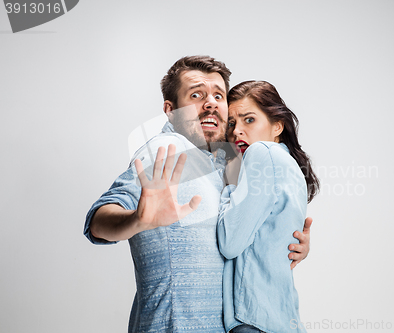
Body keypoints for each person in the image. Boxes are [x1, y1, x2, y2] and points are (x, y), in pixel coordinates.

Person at [83, 56, 312, 333]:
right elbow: (98, 220)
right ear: (170, 110)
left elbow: (265, 204)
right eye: (196, 95)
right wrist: (136, 220)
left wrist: (288, 241)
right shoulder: (165, 149)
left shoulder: (227, 155)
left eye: (218, 95)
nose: (211, 102)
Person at [217, 81, 320, 333]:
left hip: (254, 321)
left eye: (248, 120)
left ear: (277, 125)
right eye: (231, 123)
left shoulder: (262, 153)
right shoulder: (286, 163)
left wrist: (229, 183)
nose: (237, 131)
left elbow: (229, 243)